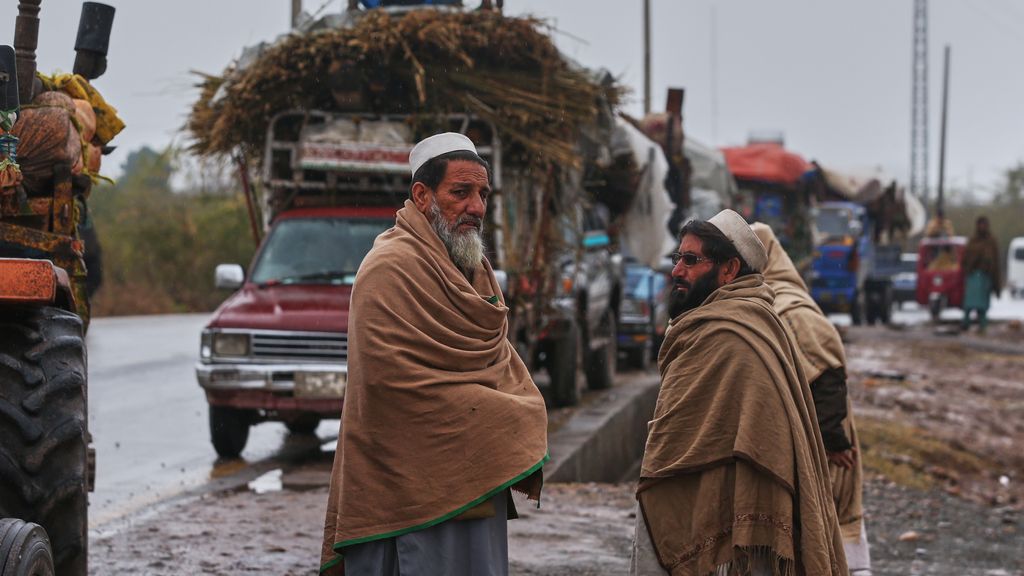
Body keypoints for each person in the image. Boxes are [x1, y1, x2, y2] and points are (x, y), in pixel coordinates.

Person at [320, 133, 548, 575]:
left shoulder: (474, 270)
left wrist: (511, 407)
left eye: (482, 194)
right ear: (422, 196)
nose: (477, 207)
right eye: (460, 193)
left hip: (473, 485)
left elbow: (498, 367)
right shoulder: (388, 268)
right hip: (405, 489)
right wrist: (505, 417)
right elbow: (392, 387)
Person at [630, 209, 847, 576]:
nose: (677, 271)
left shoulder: (734, 334)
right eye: (676, 258)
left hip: (742, 524)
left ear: (729, 269)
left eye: (691, 260)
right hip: (699, 499)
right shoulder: (710, 326)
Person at [752, 223, 872, 575]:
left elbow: (828, 370)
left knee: (830, 532)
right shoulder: (762, 303)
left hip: (824, 449)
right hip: (804, 448)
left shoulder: (791, 308)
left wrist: (832, 440)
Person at [962, 216, 1003, 333]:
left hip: (986, 277)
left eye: (984, 224)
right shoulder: (972, 240)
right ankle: (965, 324)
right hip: (973, 276)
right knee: (969, 304)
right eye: (980, 224)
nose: (982, 227)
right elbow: (966, 258)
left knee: (983, 305)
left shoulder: (991, 241)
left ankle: (982, 325)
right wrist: (968, 269)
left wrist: (996, 281)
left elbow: (995, 260)